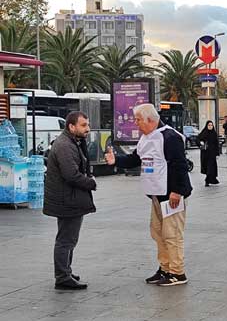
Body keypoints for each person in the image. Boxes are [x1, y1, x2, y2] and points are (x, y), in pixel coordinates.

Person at [105, 104, 193, 286]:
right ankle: (165, 268)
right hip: (156, 194)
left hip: (171, 196)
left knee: (172, 234)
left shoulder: (170, 137)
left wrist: (177, 191)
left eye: (138, 120)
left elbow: (180, 165)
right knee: (158, 233)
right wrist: (117, 161)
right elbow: (136, 158)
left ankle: (177, 272)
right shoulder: (146, 138)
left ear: (150, 120)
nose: (136, 124)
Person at [44, 111, 96, 290]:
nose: (87, 129)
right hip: (67, 199)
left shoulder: (73, 142)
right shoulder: (65, 145)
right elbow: (71, 174)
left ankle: (65, 270)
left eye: (87, 125)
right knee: (66, 239)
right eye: (83, 125)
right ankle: (62, 277)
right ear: (71, 127)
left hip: (69, 198)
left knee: (69, 238)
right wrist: (91, 183)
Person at [198, 121, 220, 187]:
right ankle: (209, 179)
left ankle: (207, 180)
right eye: (209, 125)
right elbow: (198, 139)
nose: (210, 126)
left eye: (211, 125)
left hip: (212, 153)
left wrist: (217, 153)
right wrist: (200, 143)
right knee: (207, 167)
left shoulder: (214, 133)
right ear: (206, 126)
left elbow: (216, 144)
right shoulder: (204, 132)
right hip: (205, 153)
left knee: (210, 167)